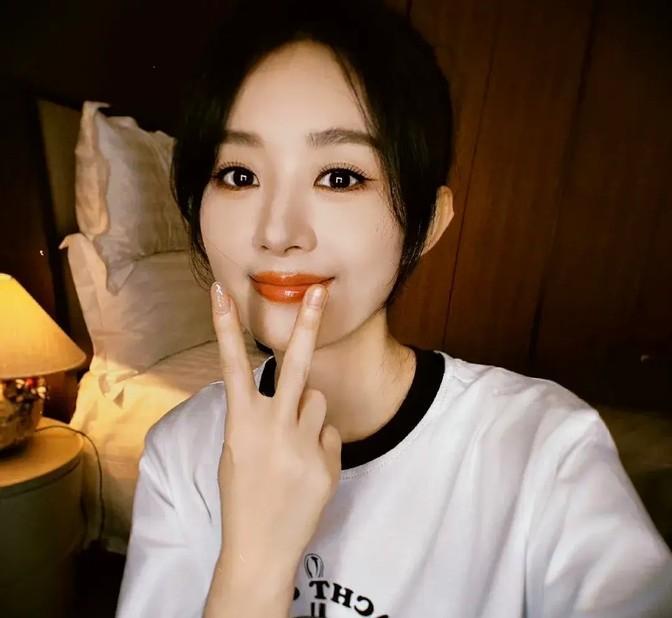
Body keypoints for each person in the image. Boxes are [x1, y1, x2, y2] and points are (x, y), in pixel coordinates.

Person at [115, 1, 672, 616]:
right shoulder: (180, 452)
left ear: (428, 224)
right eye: (240, 175)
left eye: (339, 177)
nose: (277, 232)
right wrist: (254, 566)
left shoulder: (543, 451)